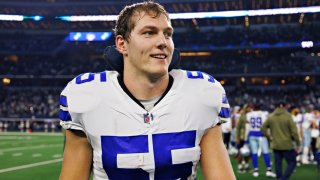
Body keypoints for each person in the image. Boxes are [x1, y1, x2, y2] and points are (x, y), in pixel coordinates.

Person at [59, 1, 235, 180]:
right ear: (122, 44)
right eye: (149, 33)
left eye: (168, 34)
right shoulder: (87, 97)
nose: (162, 42)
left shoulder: (202, 94)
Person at [261, 102, 300, 180]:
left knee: (278, 164)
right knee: (292, 163)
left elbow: (263, 128)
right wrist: (298, 143)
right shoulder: (288, 116)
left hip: (275, 144)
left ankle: (279, 178)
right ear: (285, 107)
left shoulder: (271, 116)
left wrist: (269, 137)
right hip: (287, 144)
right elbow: (294, 132)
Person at [245, 104, 275, 177]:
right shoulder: (264, 114)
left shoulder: (249, 114)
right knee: (266, 152)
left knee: (254, 153)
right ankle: (268, 170)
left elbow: (247, 127)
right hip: (262, 135)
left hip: (252, 135)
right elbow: (267, 126)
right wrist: (269, 136)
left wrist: (246, 139)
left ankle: (255, 171)